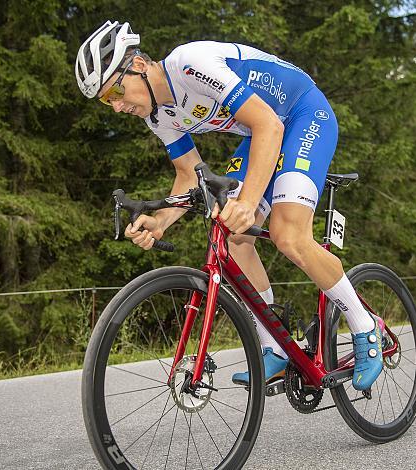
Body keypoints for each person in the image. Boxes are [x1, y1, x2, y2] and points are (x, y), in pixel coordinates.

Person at [75, 21, 383, 390]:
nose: (117, 106)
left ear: (139, 65)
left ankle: (367, 328)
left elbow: (269, 125)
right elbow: (189, 174)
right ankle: (276, 347)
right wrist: (160, 222)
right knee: (233, 240)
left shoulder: (191, 65)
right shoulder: (158, 115)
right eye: (107, 100)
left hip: (302, 115)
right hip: (262, 132)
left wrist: (249, 202)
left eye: (117, 91)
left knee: (287, 234)